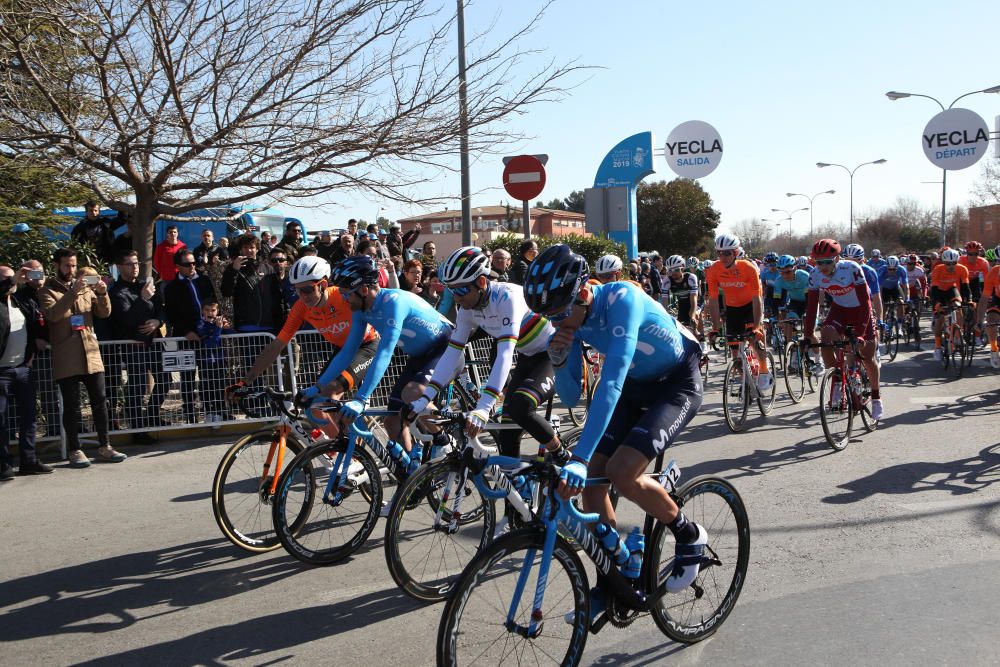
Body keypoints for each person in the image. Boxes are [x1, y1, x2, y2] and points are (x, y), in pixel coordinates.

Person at [521, 244, 707, 614]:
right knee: (592, 480)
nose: (556, 322)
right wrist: (560, 357)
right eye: (548, 316)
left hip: (676, 382)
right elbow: (572, 397)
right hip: (637, 385)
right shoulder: (567, 322)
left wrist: (578, 456)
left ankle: (688, 534)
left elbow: (611, 383)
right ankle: (615, 574)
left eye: (559, 313)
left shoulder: (623, 298)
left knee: (621, 472)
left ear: (584, 292)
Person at [407, 247, 564, 505]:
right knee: (507, 432)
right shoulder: (468, 306)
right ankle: (517, 501)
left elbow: (504, 354)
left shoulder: (507, 297)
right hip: (527, 357)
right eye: (451, 290)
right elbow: (452, 351)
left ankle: (560, 455)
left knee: (520, 406)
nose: (456, 298)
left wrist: (484, 407)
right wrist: (427, 396)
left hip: (551, 357)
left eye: (459, 290)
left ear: (481, 282)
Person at [310, 257, 455, 485]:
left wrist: (361, 399)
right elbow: (347, 352)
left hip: (445, 347)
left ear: (365, 289)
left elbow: (384, 353)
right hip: (420, 356)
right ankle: (415, 479)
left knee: (412, 393)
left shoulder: (393, 303)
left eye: (346, 293)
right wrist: (316, 388)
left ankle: (444, 442)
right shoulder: (361, 310)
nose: (343, 299)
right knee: (392, 423)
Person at [228, 256, 379, 437]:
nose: (302, 296)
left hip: (367, 346)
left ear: (323, 284)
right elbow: (276, 345)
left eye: (307, 289)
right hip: (343, 350)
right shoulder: (301, 307)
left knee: (330, 393)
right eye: (297, 290)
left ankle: (353, 446)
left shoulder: (343, 296)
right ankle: (346, 450)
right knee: (315, 405)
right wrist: (245, 381)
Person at [38, 249, 127, 466]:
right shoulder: (47, 290)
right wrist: (72, 293)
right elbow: (54, 315)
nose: (72, 270)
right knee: (71, 405)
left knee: (100, 402)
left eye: (74, 265)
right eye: (67, 266)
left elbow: (104, 313)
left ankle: (105, 446)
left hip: (91, 353)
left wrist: (103, 293)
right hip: (67, 354)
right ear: (57, 266)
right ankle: (75, 449)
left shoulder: (86, 288)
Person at [803, 239, 883, 420]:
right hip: (839, 311)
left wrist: (861, 334)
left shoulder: (852, 269)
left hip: (861, 311)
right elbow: (811, 306)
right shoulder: (815, 274)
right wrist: (808, 334)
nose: (822, 266)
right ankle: (837, 379)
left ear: (837, 259)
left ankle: (876, 397)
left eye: (827, 262)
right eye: (818, 262)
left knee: (867, 357)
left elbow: (865, 302)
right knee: (825, 337)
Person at [108, 250, 168, 438]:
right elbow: (126, 319)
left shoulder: (145, 286)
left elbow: (162, 310)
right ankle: (137, 428)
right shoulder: (117, 292)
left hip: (153, 342)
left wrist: (158, 322)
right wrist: (142, 299)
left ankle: (151, 415)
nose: (135, 268)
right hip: (133, 345)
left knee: (166, 380)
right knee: (137, 386)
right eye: (130, 264)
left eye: (136, 263)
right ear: (119, 267)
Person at [0, 265, 52, 480]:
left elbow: (33, 327)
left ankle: (28, 461)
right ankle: (3, 465)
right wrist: (14, 280)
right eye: (6, 279)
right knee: (0, 419)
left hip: (23, 368)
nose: (11, 281)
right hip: (1, 371)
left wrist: (30, 355)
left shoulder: (20, 301)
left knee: (29, 417)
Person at [704, 233, 771, 391]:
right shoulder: (714, 270)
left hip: (750, 306)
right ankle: (745, 381)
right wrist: (715, 327)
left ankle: (763, 370)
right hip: (733, 309)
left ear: (735, 253)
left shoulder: (748, 268)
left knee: (754, 340)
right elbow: (713, 300)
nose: (723, 257)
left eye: (727, 253)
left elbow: (757, 298)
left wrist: (756, 326)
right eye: (719, 253)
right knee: (735, 352)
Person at [164, 250, 218, 423]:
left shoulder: (203, 280)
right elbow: (172, 315)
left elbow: (213, 303)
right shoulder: (171, 287)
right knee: (187, 378)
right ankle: (189, 414)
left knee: (208, 376)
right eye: (187, 264)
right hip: (185, 338)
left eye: (194, 262)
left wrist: (211, 325)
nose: (192, 266)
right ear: (178, 266)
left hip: (205, 337)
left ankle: (210, 411)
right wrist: (187, 331)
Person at [773, 254, 820, 371]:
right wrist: (777, 317)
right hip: (795, 302)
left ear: (794, 268)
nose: (784, 275)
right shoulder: (779, 281)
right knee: (789, 322)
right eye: (781, 272)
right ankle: (792, 350)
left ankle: (819, 361)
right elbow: (776, 301)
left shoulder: (804, 276)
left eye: (787, 272)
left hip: (809, 301)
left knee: (809, 331)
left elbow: (809, 298)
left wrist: (806, 316)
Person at [930, 248, 971, 363]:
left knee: (958, 306)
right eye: (948, 264)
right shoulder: (938, 270)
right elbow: (934, 290)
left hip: (952, 290)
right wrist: (936, 303)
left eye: (954, 263)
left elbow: (965, 288)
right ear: (944, 262)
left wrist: (969, 301)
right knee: (940, 319)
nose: (951, 266)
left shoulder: (962, 269)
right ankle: (938, 347)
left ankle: (958, 335)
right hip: (939, 292)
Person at [196, 301, 230, 423]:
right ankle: (209, 412)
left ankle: (221, 412)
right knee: (206, 388)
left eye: (213, 310)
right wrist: (218, 329)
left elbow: (232, 334)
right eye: (207, 310)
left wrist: (226, 327)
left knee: (220, 386)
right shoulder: (200, 324)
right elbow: (211, 343)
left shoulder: (219, 323)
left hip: (220, 361)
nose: (210, 313)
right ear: (202, 311)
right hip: (205, 362)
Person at [70, 201, 122, 266]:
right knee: (90, 276)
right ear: (86, 212)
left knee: (104, 276)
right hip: (88, 260)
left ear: (99, 212)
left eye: (95, 210)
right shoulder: (79, 228)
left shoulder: (106, 223)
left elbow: (121, 220)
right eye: (91, 211)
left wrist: (120, 206)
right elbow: (74, 244)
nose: (93, 213)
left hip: (104, 260)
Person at [975, 244, 1000, 368]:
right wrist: (979, 320)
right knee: (991, 322)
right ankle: (994, 349)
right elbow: (984, 298)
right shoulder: (994, 272)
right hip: (997, 299)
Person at [664, 254, 699, 335]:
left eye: (676, 270)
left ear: (682, 268)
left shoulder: (691, 277)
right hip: (682, 302)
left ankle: (701, 339)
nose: (673, 273)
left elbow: (693, 299)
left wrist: (693, 316)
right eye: (670, 270)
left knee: (695, 316)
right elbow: (664, 302)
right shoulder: (667, 281)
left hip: (695, 299)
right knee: (680, 326)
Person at [876, 256, 908, 326]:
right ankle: (882, 325)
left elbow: (906, 286)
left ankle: (900, 325)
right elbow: (879, 286)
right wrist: (880, 299)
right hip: (884, 288)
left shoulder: (902, 269)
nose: (892, 271)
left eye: (894, 269)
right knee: (883, 306)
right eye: (890, 269)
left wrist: (907, 298)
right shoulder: (882, 270)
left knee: (901, 303)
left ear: (898, 267)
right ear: (886, 267)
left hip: (895, 287)